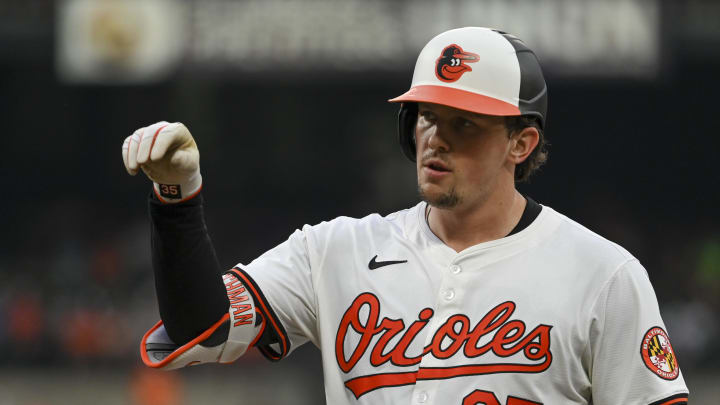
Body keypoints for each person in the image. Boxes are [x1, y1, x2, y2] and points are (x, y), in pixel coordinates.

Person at [122, 27, 689, 405]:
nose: (435, 139)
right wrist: (178, 197)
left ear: (522, 143)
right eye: (425, 117)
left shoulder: (602, 274)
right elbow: (205, 328)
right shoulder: (333, 252)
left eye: (464, 122)